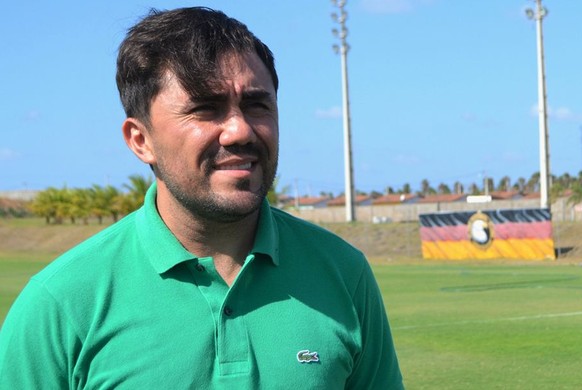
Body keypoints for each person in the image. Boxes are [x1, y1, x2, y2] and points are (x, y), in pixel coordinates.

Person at [0, 7, 404, 389]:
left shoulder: (343, 273)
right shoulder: (62, 301)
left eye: (256, 104)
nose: (240, 131)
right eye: (205, 109)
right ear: (141, 141)